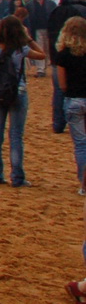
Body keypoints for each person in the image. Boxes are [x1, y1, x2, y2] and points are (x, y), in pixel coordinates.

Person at [0, 16, 46, 187]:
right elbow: (42, 55)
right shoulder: (21, 48)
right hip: (16, 90)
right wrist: (29, 38)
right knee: (16, 135)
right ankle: (17, 176)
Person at [49, 16, 86, 198]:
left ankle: (83, 182)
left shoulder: (62, 55)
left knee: (80, 144)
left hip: (73, 100)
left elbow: (62, 86)